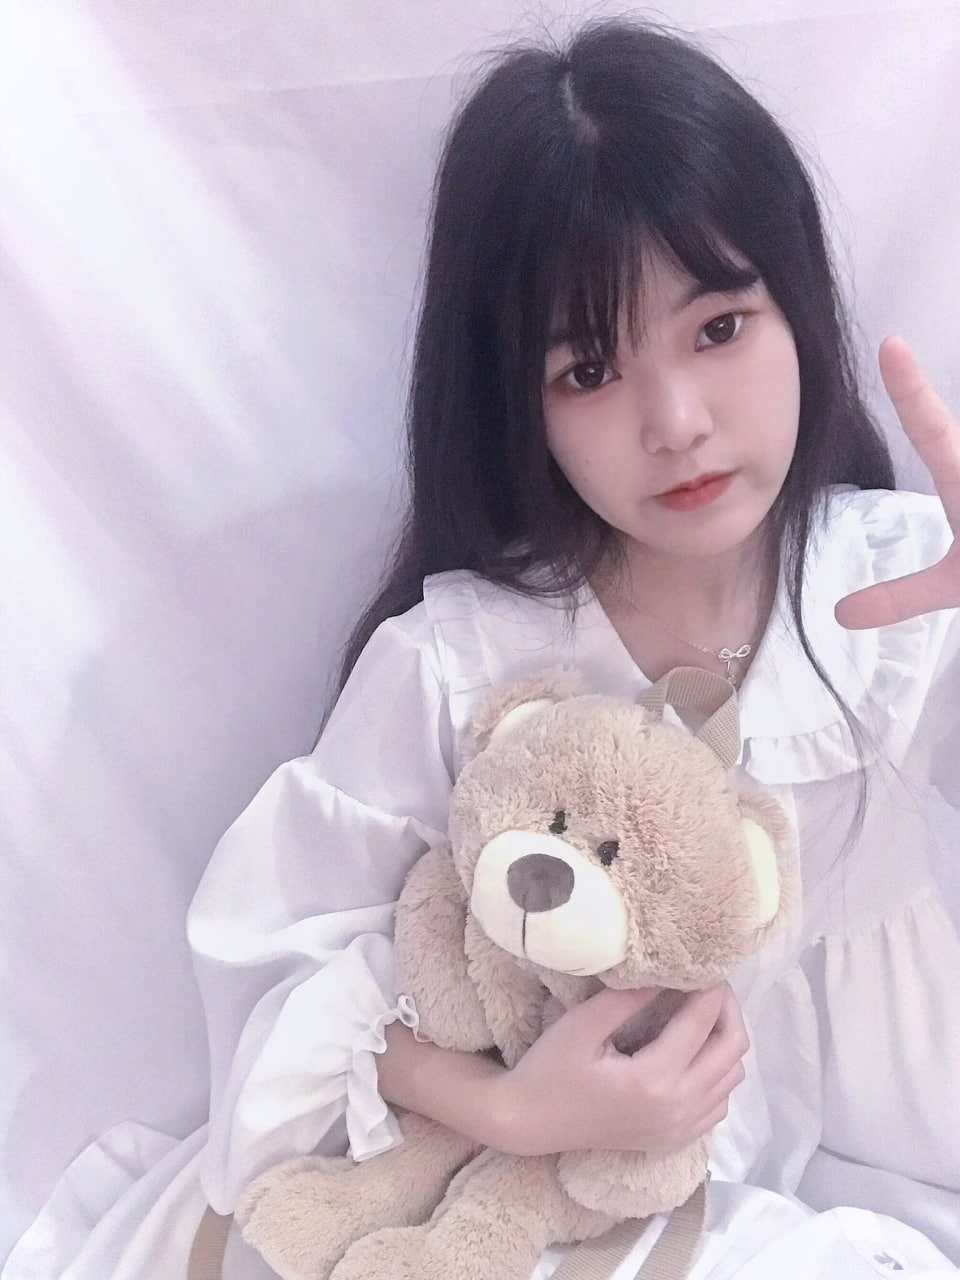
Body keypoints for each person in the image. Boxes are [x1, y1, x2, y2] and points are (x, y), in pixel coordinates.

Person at [186, 18, 960, 1278]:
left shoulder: (904, 586)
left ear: (799, 309)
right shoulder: (464, 661)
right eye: (590, 368)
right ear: (515, 398)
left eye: (719, 327)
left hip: (903, 1149)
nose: (678, 422)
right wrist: (515, 1107)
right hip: (577, 1195)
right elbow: (283, 968)